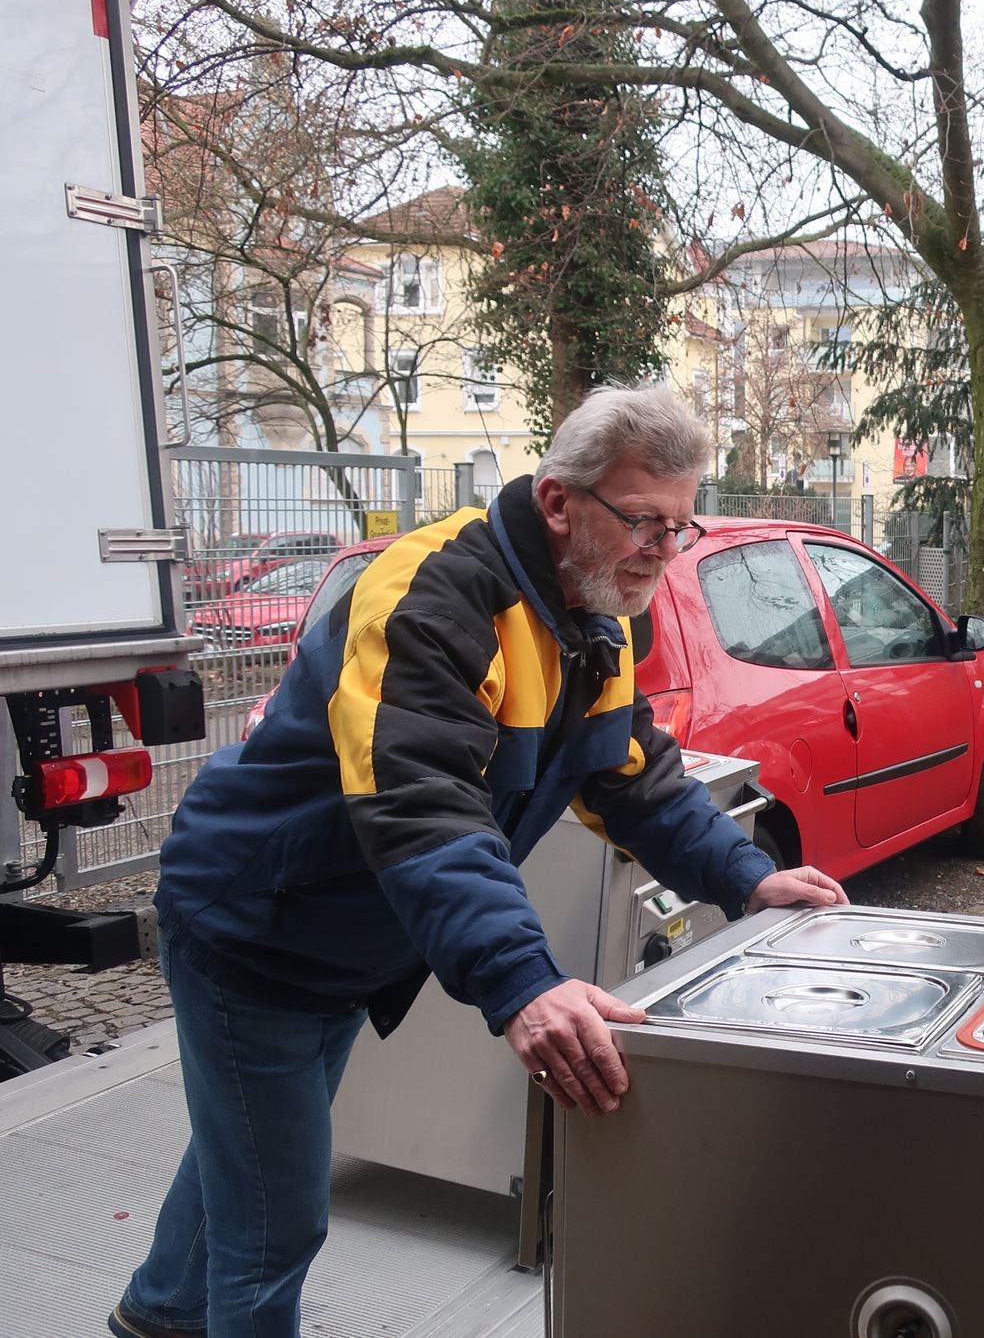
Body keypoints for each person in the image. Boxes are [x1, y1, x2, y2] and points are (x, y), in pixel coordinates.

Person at [112, 385, 848, 1338]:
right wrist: (523, 982)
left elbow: (631, 778)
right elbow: (421, 801)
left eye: (679, 526)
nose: (664, 552)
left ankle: (159, 1309)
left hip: (341, 932)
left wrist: (747, 876)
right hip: (256, 923)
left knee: (251, 1148)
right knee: (277, 1219)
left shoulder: (598, 614)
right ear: (559, 502)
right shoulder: (435, 592)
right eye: (643, 522)